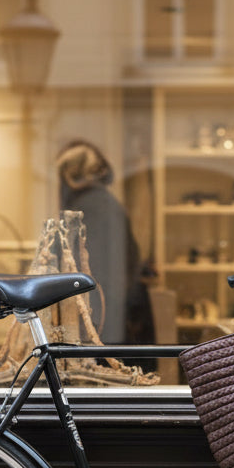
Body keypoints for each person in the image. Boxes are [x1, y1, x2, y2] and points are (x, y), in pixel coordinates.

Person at [55, 139, 155, 345]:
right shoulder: (101, 203)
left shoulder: (91, 207)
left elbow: (96, 274)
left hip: (101, 322)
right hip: (107, 318)